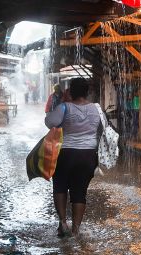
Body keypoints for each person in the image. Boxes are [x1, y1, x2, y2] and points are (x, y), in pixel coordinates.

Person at [45, 78, 101, 237]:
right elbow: (102, 128)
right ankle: (76, 229)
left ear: (71, 92)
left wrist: (62, 104)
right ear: (87, 92)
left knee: (60, 186)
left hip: (66, 153)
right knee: (80, 191)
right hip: (88, 154)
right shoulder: (96, 108)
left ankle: (63, 223)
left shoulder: (64, 107)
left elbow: (49, 122)